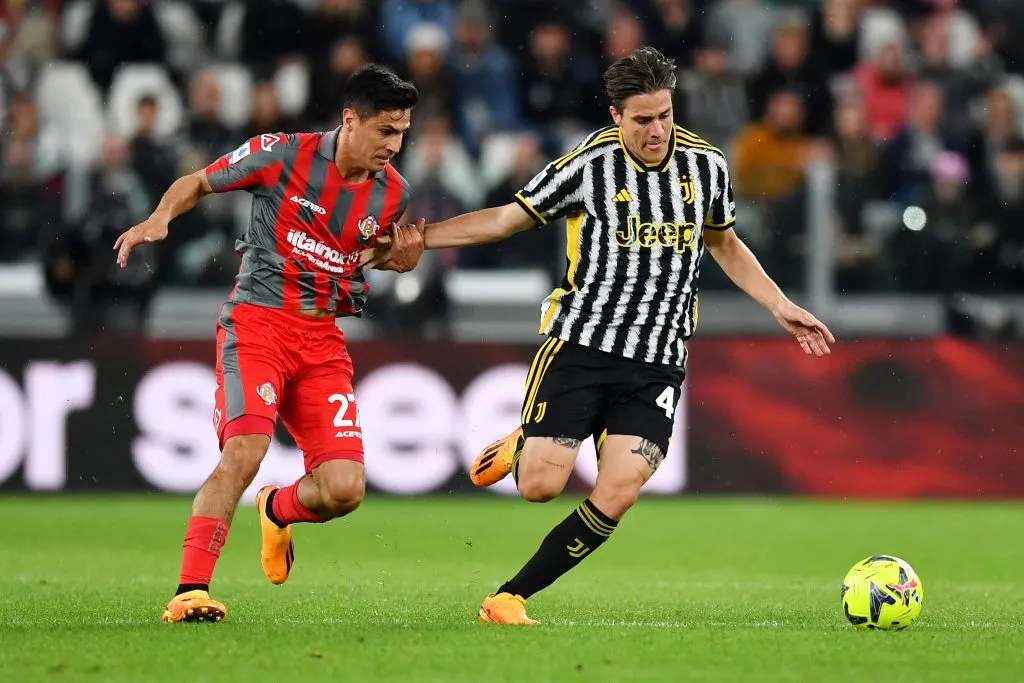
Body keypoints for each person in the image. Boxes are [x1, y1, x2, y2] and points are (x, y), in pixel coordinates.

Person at [418, 46, 835, 625]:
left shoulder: (707, 166)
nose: (657, 130)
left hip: (658, 360)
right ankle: (527, 440)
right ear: (616, 117)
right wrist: (420, 239)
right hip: (581, 343)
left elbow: (723, 242)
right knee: (539, 486)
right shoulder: (586, 167)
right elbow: (505, 219)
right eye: (642, 120)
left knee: (618, 490)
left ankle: (509, 597)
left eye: (665, 114)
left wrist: (781, 305)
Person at [113, 64, 426, 623]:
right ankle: (190, 591)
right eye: (385, 130)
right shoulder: (282, 154)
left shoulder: (392, 193)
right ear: (349, 120)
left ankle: (277, 509)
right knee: (245, 453)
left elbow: (360, 253)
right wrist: (160, 217)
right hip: (258, 324)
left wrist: (399, 259)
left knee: (344, 490)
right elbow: (199, 181)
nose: (394, 145)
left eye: (402, 132)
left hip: (323, 339)